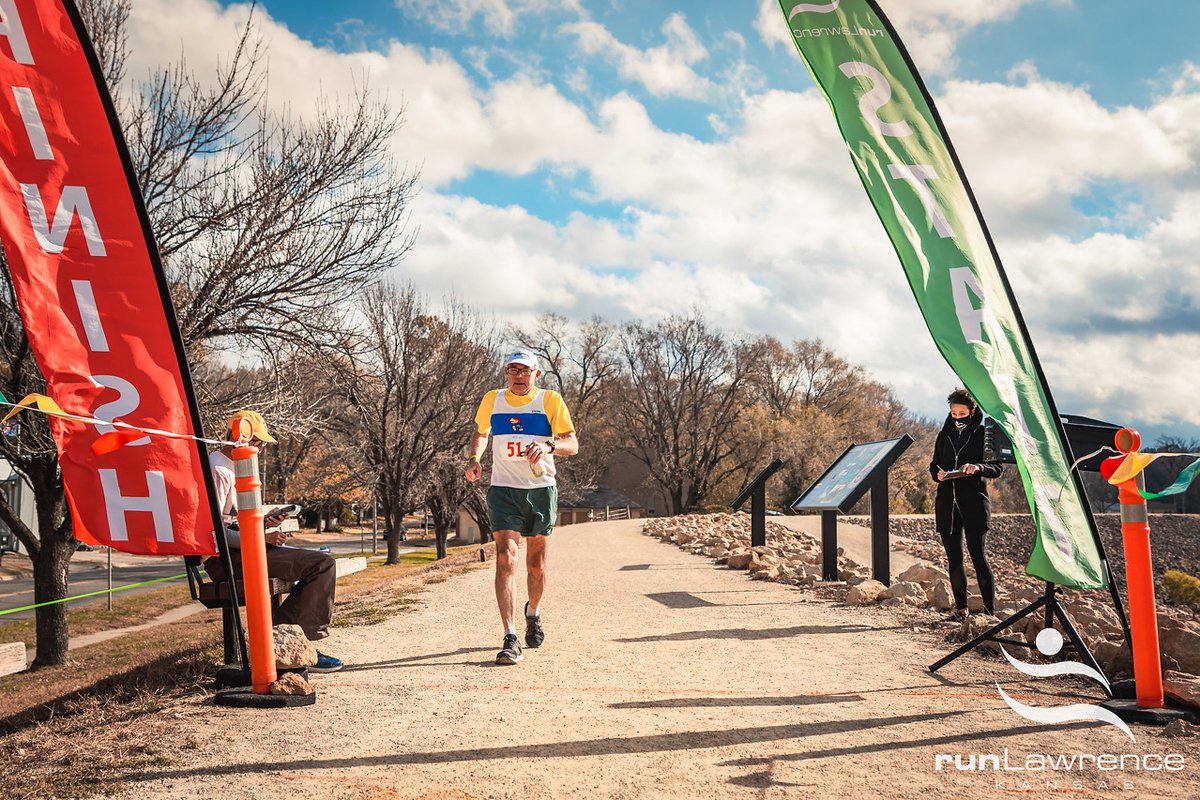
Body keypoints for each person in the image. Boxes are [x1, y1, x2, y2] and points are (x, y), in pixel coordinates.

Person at [204, 410, 344, 672]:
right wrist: (261, 536)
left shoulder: (235, 467)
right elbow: (213, 532)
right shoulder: (218, 470)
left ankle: (282, 643)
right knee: (322, 564)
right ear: (242, 437)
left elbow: (235, 521)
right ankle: (299, 648)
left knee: (320, 563)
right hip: (225, 559)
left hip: (244, 550)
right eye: (258, 442)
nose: (261, 449)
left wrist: (264, 522)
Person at [465, 350, 578, 665]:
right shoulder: (493, 399)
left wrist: (547, 445)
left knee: (536, 566)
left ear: (536, 374)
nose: (518, 375)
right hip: (503, 491)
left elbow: (573, 443)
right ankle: (510, 636)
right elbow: (481, 432)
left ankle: (534, 612)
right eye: (512, 370)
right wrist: (475, 459)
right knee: (505, 559)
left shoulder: (550, 401)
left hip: (540, 491)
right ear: (506, 372)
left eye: (524, 370)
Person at [929, 388, 1003, 619]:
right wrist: (938, 475)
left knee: (978, 557)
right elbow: (934, 465)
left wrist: (978, 467)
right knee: (954, 559)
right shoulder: (944, 435)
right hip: (947, 505)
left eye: (962, 413)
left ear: (972, 411)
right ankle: (961, 610)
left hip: (974, 505)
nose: (957, 417)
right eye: (953, 413)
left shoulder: (984, 434)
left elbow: (997, 468)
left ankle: (990, 616)